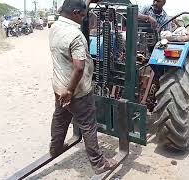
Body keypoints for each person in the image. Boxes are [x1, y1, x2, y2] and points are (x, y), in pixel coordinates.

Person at [48, 0, 117, 175]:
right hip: (76, 91)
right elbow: (79, 67)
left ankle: (55, 148)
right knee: (88, 125)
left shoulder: (55, 27)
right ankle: (99, 164)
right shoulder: (76, 35)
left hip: (59, 87)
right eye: (84, 15)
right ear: (76, 13)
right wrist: (71, 91)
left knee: (60, 117)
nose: (85, 18)